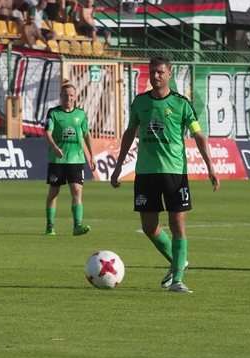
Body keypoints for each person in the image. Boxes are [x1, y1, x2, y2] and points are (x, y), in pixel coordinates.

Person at [110, 56, 220, 293]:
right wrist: (119, 166)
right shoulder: (140, 102)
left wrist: (210, 166)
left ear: (169, 74)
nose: (155, 76)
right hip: (146, 173)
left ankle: (178, 279)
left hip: (174, 172)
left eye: (160, 72)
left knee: (177, 223)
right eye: (152, 72)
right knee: (149, 226)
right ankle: (178, 261)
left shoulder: (182, 104)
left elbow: (198, 135)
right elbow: (130, 133)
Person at [44, 82, 95, 236]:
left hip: (76, 160)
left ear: (75, 97)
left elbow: (86, 135)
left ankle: (77, 226)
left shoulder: (81, 114)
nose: (68, 97)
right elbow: (47, 132)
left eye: (71, 95)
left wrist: (91, 156)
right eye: (65, 95)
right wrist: (54, 147)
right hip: (57, 160)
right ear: (60, 97)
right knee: (54, 193)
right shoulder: (53, 113)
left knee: (77, 191)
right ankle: (50, 225)